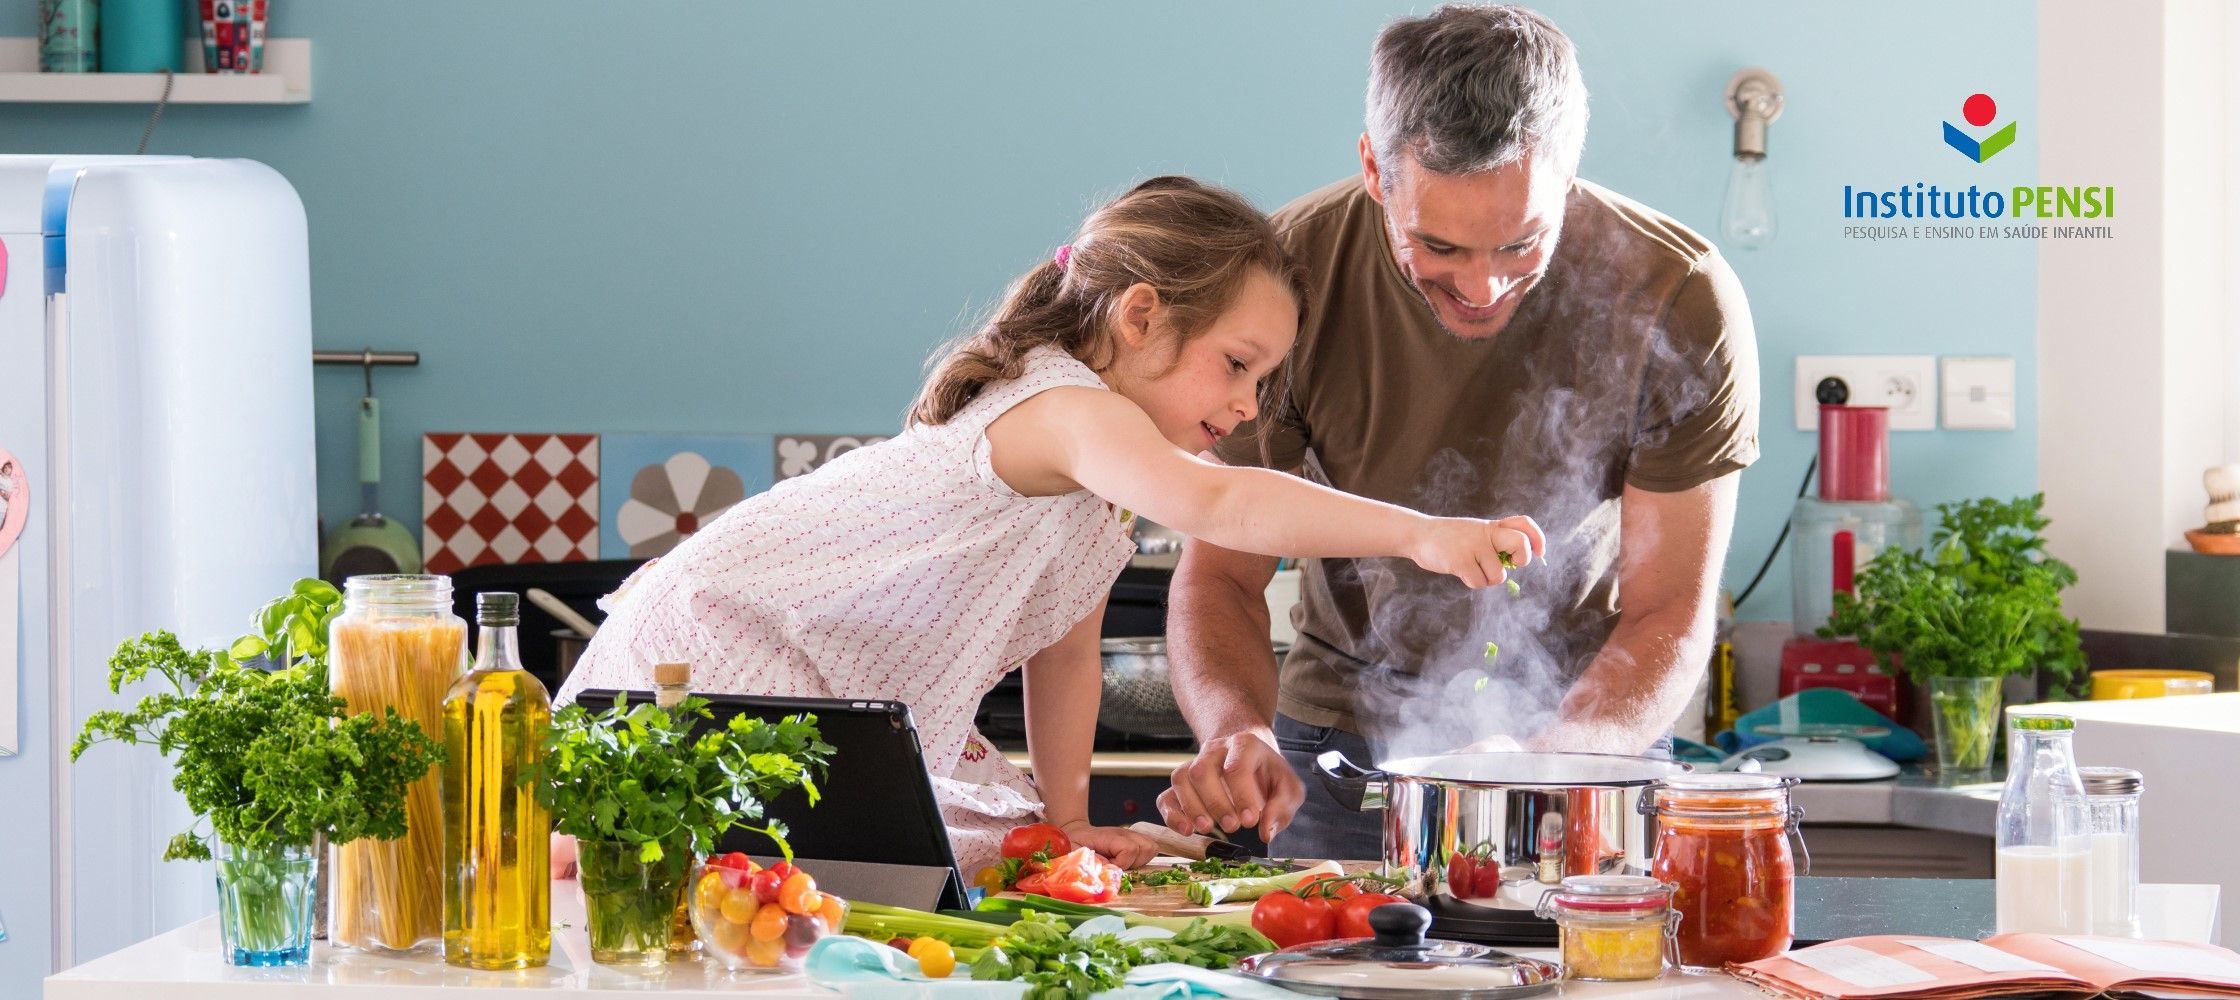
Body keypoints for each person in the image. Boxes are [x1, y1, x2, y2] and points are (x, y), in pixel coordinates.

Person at [553, 176, 1545, 877]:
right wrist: (1423, 534)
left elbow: (1063, 657)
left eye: (1264, 379)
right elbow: (1221, 502)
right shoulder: (1068, 409)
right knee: (684, 878)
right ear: (1140, 315)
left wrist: (1068, 816)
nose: (1248, 405)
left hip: (815, 682)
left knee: (975, 855)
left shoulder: (1094, 482)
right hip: (723, 641)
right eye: (1236, 364)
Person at [1159, 4, 1760, 862]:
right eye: (1437, 246)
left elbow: (1669, 611)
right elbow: (1220, 573)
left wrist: (1552, 763)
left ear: (1569, 172)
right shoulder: (1285, 280)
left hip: (1583, 741)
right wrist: (1232, 730)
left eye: (1523, 243)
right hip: (1336, 751)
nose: (1482, 286)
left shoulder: (1680, 295)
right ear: (1374, 168)